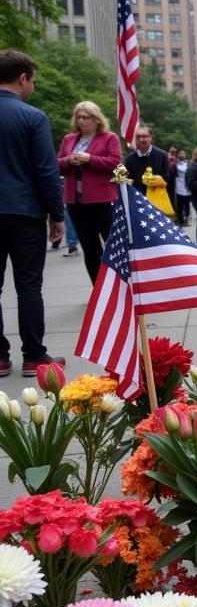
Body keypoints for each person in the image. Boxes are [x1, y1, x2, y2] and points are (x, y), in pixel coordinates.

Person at [0, 50, 65, 377]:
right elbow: (46, 171)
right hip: (24, 212)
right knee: (28, 285)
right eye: (33, 81)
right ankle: (34, 356)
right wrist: (57, 215)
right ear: (23, 77)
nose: (33, 88)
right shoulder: (32, 117)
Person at [57, 100, 121, 285]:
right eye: (78, 117)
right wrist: (68, 160)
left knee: (113, 246)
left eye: (86, 117)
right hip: (75, 202)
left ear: (96, 118)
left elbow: (115, 163)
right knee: (89, 248)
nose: (81, 121)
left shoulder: (109, 138)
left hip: (102, 200)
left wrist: (90, 159)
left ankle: (121, 287)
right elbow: (57, 164)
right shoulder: (69, 139)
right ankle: (99, 290)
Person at [123, 126, 174, 204]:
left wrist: (152, 180)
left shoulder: (162, 155)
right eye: (138, 137)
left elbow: (167, 177)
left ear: (151, 138)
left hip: (158, 199)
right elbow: (127, 179)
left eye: (145, 136)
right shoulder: (129, 158)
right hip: (138, 199)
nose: (141, 139)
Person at [173, 149, 191, 227]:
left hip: (187, 187)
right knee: (179, 206)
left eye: (183, 153)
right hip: (178, 186)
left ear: (185, 155)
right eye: (180, 153)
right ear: (177, 155)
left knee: (187, 204)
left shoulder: (189, 164)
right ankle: (180, 221)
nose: (182, 155)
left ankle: (187, 219)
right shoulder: (174, 164)